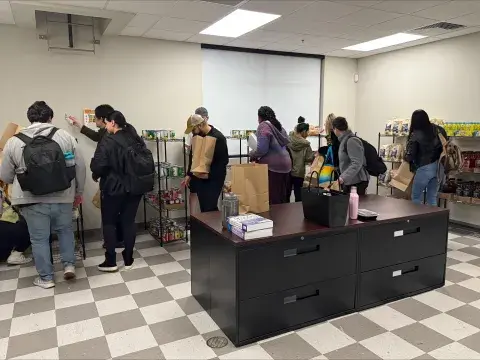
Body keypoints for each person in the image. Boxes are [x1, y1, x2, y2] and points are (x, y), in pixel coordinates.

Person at [0, 101, 86, 288]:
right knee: (65, 231)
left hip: (30, 199)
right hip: (63, 195)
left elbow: (5, 175)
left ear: (29, 119)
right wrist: (78, 192)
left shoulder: (14, 141)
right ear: (51, 118)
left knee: (38, 238)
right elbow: (80, 167)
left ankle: (46, 278)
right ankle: (69, 266)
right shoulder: (64, 136)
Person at [91, 110, 153, 272]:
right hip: (135, 187)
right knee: (128, 221)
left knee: (109, 222)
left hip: (113, 188)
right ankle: (128, 259)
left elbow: (98, 165)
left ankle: (110, 261)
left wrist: (96, 172)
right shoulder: (135, 138)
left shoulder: (108, 140)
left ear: (112, 123)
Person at [70, 105, 124, 249]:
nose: (95, 121)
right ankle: (117, 240)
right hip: (122, 181)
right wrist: (80, 125)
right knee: (117, 212)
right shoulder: (118, 132)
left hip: (112, 180)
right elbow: (96, 136)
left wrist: (96, 172)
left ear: (103, 119)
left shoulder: (109, 135)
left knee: (109, 213)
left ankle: (112, 243)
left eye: (96, 118)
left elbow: (103, 159)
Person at [182, 114, 228, 212]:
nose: (193, 132)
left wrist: (209, 175)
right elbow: (193, 156)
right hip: (200, 177)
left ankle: (216, 225)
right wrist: (189, 174)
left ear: (199, 125)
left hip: (214, 179)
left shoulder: (219, 138)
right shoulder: (197, 136)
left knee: (209, 206)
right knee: (204, 207)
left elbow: (223, 162)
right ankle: (212, 225)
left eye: (193, 129)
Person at [250, 106, 291, 204]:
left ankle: (274, 219)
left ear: (260, 117)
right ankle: (283, 219)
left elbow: (262, 149)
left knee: (272, 199)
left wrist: (251, 153)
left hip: (272, 167)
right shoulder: (279, 126)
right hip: (286, 165)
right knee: (282, 198)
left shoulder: (263, 126)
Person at [405, 110, 447, 206]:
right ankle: (431, 220)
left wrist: (405, 157)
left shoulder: (415, 134)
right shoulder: (440, 130)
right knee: (432, 197)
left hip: (424, 168)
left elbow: (410, 155)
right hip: (439, 167)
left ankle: (417, 220)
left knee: (416, 197)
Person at [333, 116, 369, 195]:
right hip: (350, 181)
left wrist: (343, 178)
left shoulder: (351, 141)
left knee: (355, 206)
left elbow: (357, 163)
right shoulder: (344, 140)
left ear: (336, 129)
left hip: (357, 182)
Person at [288, 123, 315, 202]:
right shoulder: (306, 144)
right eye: (307, 132)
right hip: (299, 172)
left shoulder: (288, 140)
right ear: (303, 131)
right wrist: (315, 155)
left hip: (288, 170)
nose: (307, 134)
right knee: (298, 195)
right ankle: (298, 212)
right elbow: (309, 158)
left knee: (286, 194)